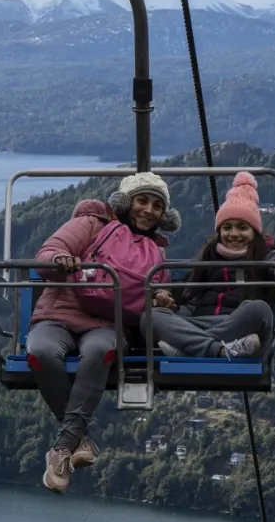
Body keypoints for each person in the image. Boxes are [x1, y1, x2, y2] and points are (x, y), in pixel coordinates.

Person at [26, 171, 181, 494]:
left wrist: (162, 298)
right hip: (59, 312)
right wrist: (60, 260)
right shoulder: (92, 225)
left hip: (111, 325)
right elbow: (46, 254)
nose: (148, 210)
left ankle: (62, 451)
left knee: (100, 353)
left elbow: (156, 295)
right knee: (40, 352)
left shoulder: (156, 253)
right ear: (125, 202)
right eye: (142, 201)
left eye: (156, 205)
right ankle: (78, 441)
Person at [143, 171, 275, 360]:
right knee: (149, 318)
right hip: (199, 324)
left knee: (260, 309)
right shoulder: (208, 259)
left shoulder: (265, 256)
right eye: (227, 228)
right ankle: (218, 350)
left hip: (239, 327)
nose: (234, 234)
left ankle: (191, 348)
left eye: (242, 227)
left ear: (255, 232)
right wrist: (167, 300)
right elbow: (190, 299)